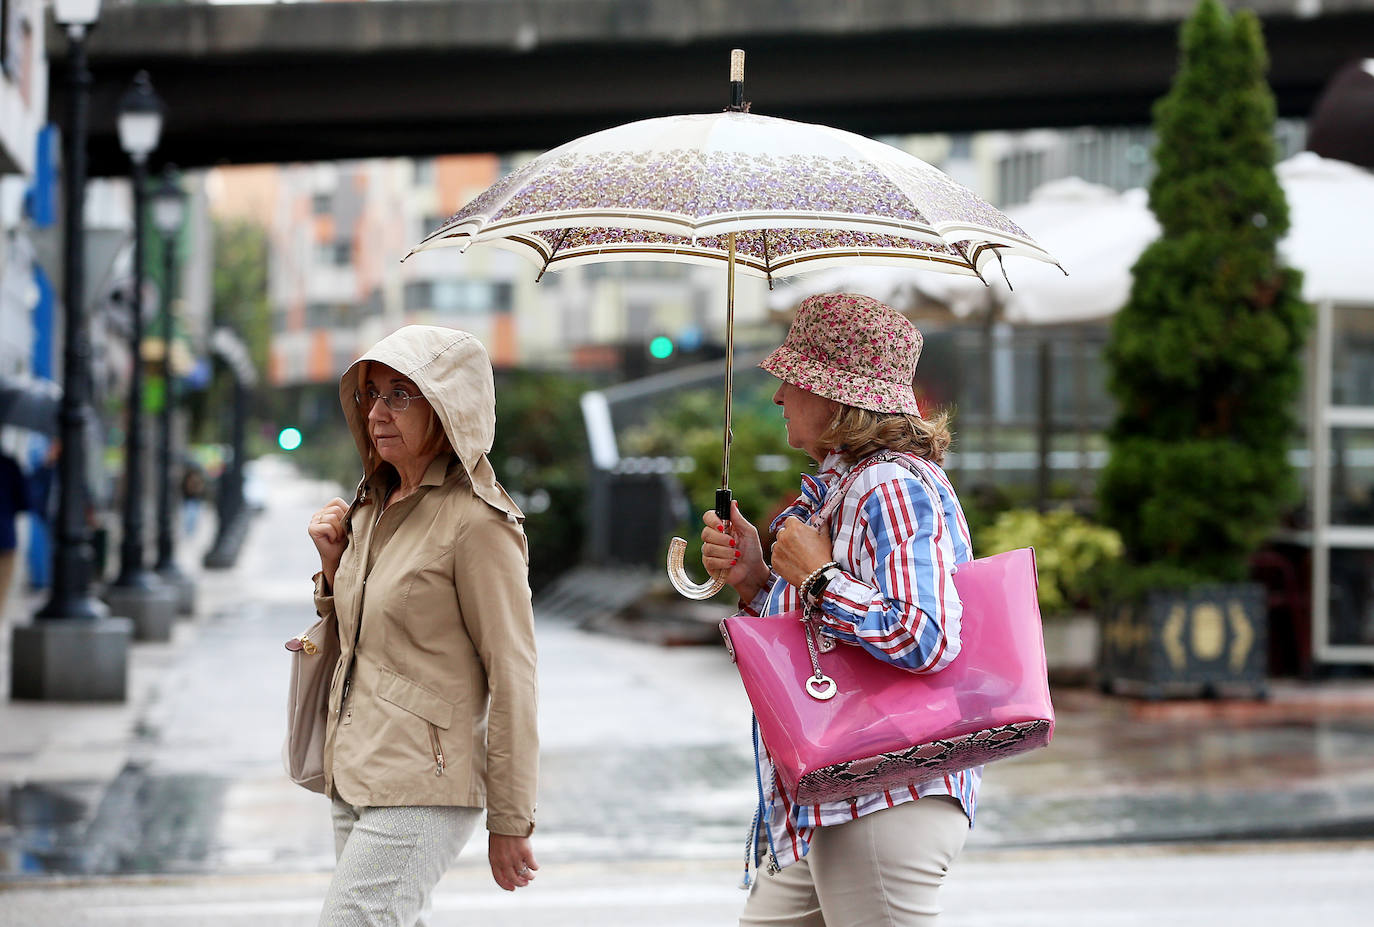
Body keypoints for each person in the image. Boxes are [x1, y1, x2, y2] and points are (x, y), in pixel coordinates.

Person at [700, 293, 977, 927]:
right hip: (838, 784)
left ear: (834, 396)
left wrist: (820, 577)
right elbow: (821, 641)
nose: (777, 397)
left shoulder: (893, 484)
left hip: (887, 791)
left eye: (792, 379)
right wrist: (755, 580)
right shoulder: (843, 489)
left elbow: (926, 633)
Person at [306, 326, 539, 926]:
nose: (378, 412)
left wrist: (511, 819)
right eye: (372, 395)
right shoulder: (373, 504)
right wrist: (333, 568)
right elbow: (363, 641)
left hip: (424, 781)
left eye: (400, 396)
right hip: (356, 766)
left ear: (446, 408)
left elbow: (513, 673)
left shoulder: (478, 524)